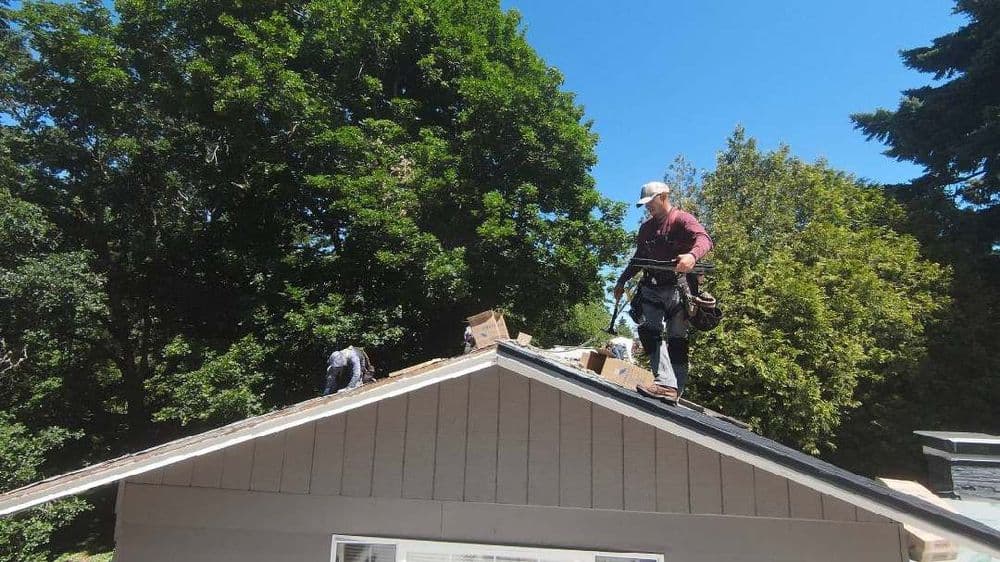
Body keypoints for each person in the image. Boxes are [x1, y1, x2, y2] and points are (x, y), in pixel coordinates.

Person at [613, 181, 713, 404]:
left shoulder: (682, 219)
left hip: (678, 288)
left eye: (651, 202)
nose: (648, 207)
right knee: (649, 331)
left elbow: (705, 240)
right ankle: (665, 382)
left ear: (663, 196)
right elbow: (639, 259)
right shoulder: (646, 229)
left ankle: (674, 390)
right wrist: (622, 281)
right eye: (646, 204)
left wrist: (692, 256)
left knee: (677, 339)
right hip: (651, 287)